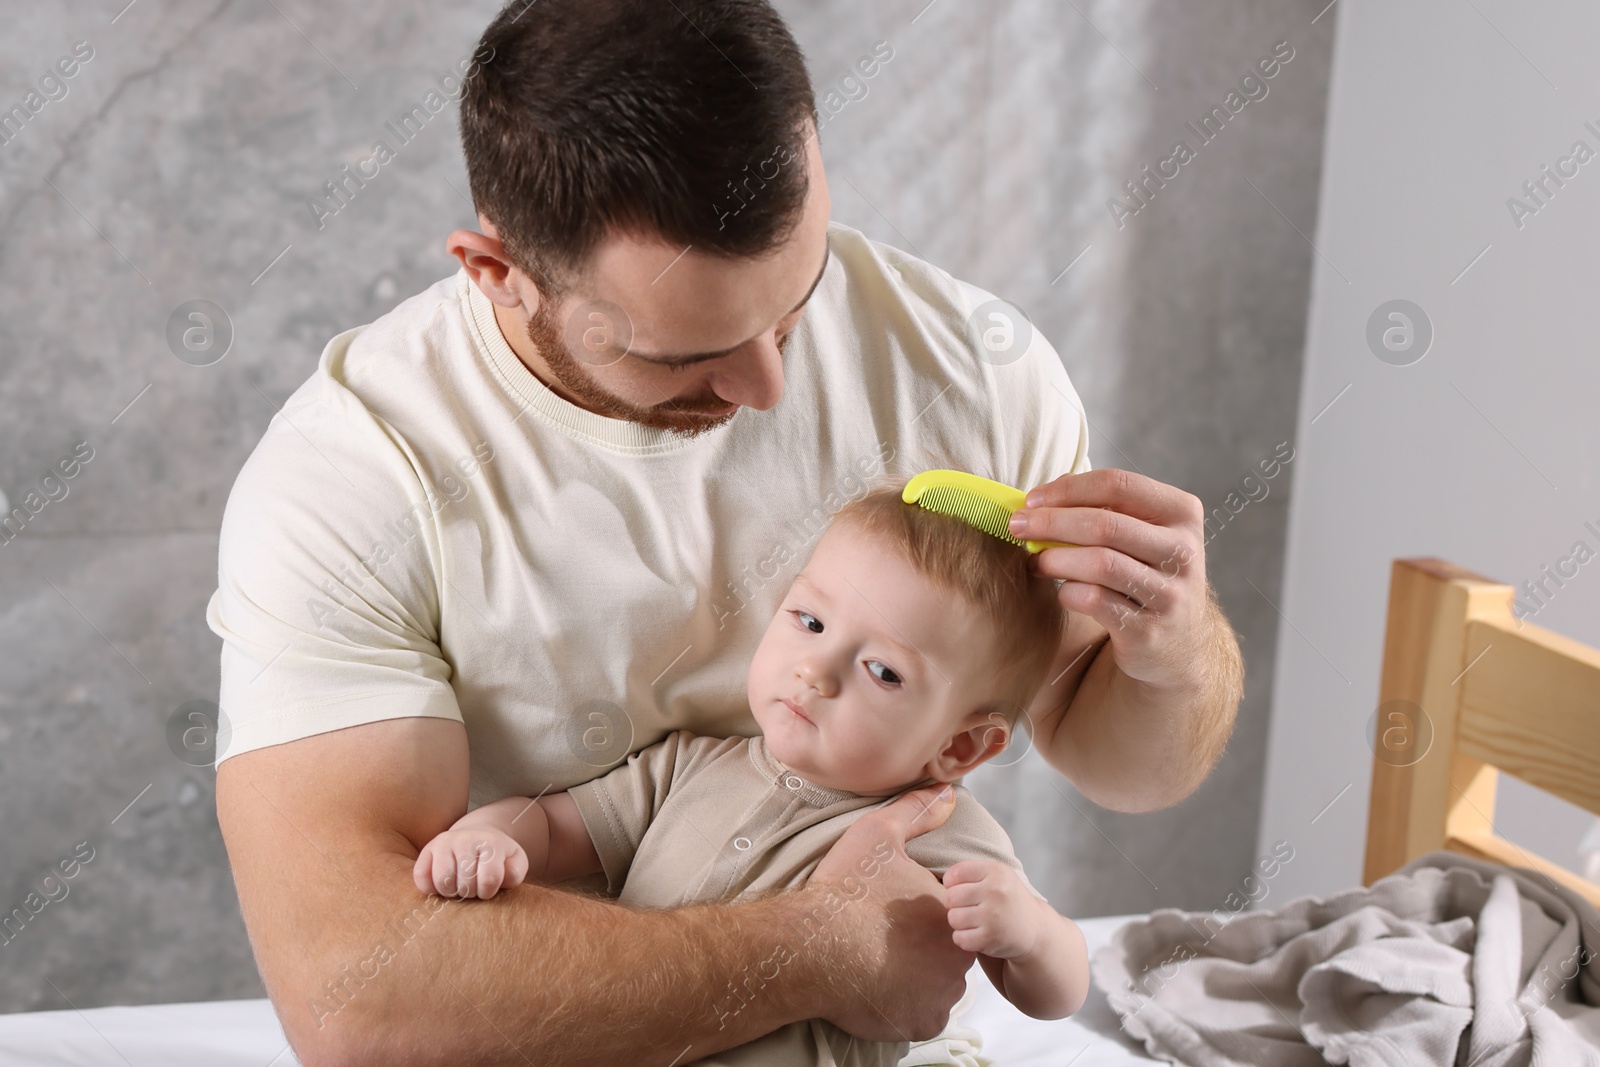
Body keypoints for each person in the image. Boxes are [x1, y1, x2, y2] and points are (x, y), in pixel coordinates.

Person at [208, 2, 1243, 1065]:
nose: (767, 383)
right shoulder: (355, 478)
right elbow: (360, 1000)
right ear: (497, 271)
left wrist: (1167, 653)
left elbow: (1124, 766)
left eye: (796, 306)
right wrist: (813, 952)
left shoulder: (972, 372)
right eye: (684, 354)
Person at [413, 484, 1092, 1065]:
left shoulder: (940, 828)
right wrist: (493, 838)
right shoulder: (690, 764)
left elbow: (1059, 992)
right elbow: (559, 826)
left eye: (883, 670)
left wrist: (1029, 933)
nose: (815, 670)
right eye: (810, 620)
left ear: (961, 746)